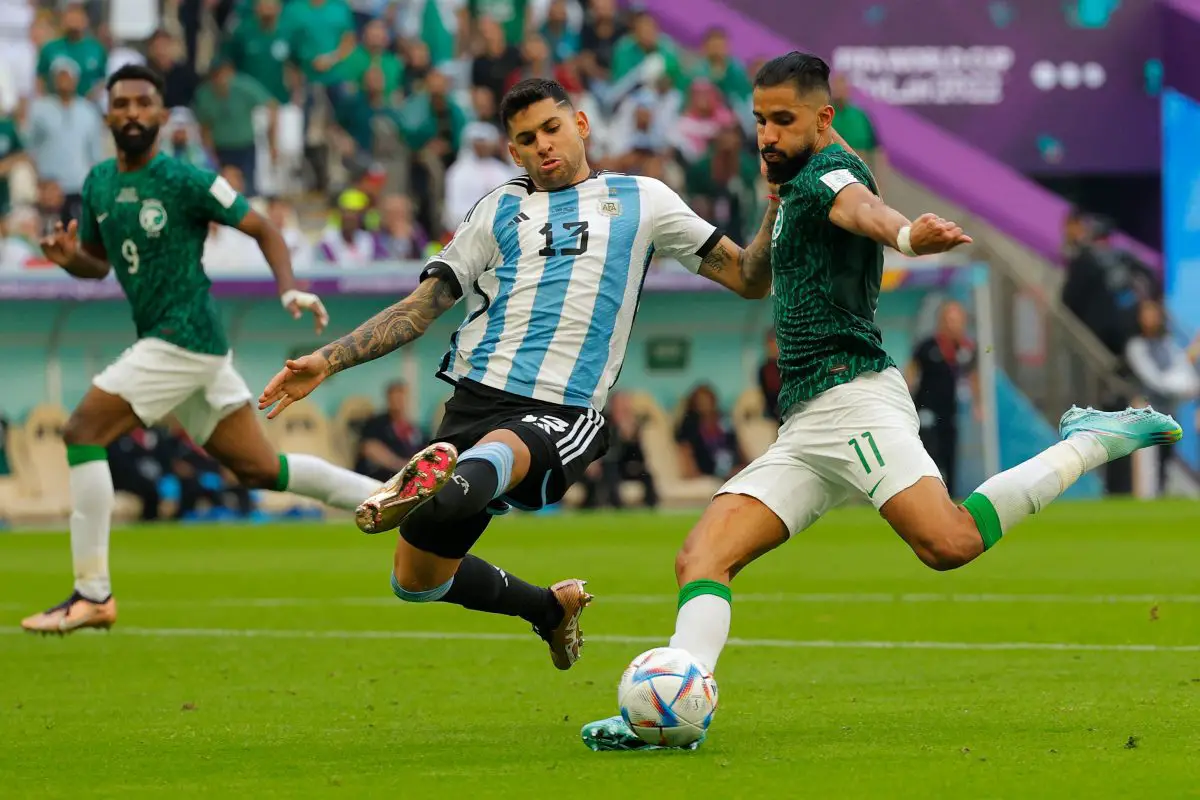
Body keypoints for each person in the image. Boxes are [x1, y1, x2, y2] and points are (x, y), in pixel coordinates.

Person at [580, 51, 1183, 751]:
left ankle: (1090, 439)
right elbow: (772, 253)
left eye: (782, 121)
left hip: (855, 400)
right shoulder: (804, 171)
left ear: (822, 121)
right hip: (806, 424)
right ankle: (671, 715)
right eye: (759, 120)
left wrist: (903, 233)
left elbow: (859, 207)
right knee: (700, 558)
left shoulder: (822, 179)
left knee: (949, 543)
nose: (767, 135)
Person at [259, 77, 778, 671]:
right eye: (526, 139)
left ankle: (440, 478)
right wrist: (327, 360)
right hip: (475, 397)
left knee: (486, 464)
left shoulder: (645, 200)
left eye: (551, 129)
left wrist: (773, 206)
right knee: (417, 580)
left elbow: (747, 278)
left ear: (580, 125)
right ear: (513, 152)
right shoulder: (500, 208)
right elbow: (419, 308)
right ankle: (549, 608)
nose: (542, 146)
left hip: (561, 408)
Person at [20, 65, 383, 635]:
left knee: (81, 431)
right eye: (123, 104)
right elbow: (98, 264)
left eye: (145, 102)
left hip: (183, 335)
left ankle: (92, 594)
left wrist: (287, 286)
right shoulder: (96, 184)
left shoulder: (187, 181)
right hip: (182, 347)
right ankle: (396, 497)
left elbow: (262, 227)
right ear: (108, 115)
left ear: (163, 117)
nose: (134, 112)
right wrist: (70, 259)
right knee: (261, 468)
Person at [906, 300, 979, 498]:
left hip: (950, 411)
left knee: (950, 453)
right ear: (941, 321)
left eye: (956, 320)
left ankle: (951, 497)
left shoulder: (966, 349)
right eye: (949, 319)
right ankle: (928, 495)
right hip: (926, 409)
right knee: (929, 451)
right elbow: (911, 371)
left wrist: (978, 405)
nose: (952, 324)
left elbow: (973, 376)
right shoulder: (927, 346)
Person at [355, 381, 427, 482]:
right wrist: (402, 466)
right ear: (388, 399)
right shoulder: (376, 423)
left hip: (410, 480)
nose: (398, 402)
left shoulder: (416, 430)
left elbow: (427, 452)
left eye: (401, 397)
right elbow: (369, 448)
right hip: (383, 478)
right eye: (395, 398)